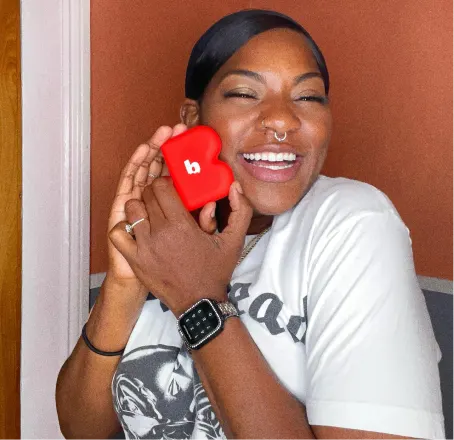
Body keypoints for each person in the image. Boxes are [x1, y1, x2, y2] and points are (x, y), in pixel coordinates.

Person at [56, 9, 445, 440]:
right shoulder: (163, 233)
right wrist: (124, 284)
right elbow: (81, 428)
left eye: (308, 97)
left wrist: (196, 297)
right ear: (191, 118)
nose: (281, 119)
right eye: (245, 93)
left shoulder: (354, 223)